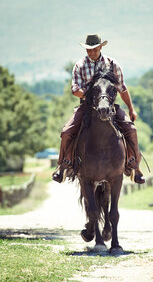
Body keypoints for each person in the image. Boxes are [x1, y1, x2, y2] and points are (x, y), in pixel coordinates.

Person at [52, 34, 145, 184]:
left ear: (101, 47)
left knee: (131, 130)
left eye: (94, 49)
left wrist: (131, 109)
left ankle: (134, 166)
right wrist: (91, 95)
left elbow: (122, 88)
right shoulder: (80, 65)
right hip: (87, 106)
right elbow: (75, 89)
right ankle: (63, 165)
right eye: (89, 49)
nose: (91, 52)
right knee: (66, 131)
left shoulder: (113, 64)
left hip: (110, 106)